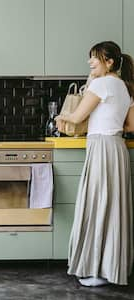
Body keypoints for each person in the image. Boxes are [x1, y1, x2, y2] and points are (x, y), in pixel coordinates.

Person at [55, 41, 134, 286]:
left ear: (109, 62)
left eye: (94, 58)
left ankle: (97, 271)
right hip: (117, 148)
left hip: (101, 147)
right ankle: (111, 268)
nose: (90, 62)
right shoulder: (124, 86)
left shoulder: (101, 84)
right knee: (113, 208)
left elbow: (79, 116)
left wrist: (61, 116)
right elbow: (131, 126)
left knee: (98, 205)